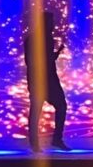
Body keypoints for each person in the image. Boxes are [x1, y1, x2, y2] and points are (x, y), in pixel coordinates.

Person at [24, 11, 69, 152]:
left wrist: (55, 54)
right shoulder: (39, 39)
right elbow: (39, 61)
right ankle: (52, 140)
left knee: (39, 110)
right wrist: (55, 54)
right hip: (44, 80)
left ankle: (38, 143)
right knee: (45, 109)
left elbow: (37, 61)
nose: (53, 25)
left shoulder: (37, 39)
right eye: (51, 22)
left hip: (45, 80)